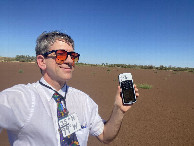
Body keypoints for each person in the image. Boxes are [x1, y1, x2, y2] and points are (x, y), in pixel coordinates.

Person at [0, 31, 139, 146]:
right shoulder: (22, 98)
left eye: (72, 56)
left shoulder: (83, 100)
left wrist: (119, 110)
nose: (69, 61)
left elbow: (105, 136)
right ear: (42, 61)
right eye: (61, 55)